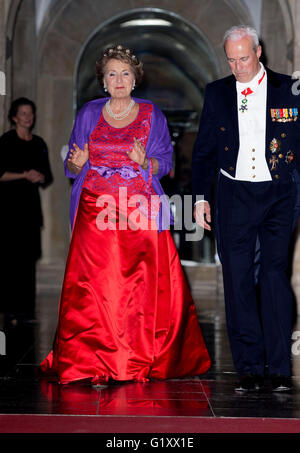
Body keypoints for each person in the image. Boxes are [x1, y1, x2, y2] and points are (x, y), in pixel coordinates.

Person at [41, 45, 210, 385]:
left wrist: (144, 162)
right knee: (95, 287)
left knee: (137, 287)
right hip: (96, 208)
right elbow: (73, 164)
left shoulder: (151, 113)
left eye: (125, 74)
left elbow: (166, 164)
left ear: (135, 79)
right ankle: (92, 360)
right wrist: (76, 161)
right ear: (103, 82)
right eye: (112, 75)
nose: (119, 80)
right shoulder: (89, 112)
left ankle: (135, 357)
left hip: (139, 210)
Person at [192, 25, 300, 393]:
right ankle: (250, 367)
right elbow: (204, 149)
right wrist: (200, 198)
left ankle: (280, 367)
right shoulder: (217, 92)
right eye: (231, 60)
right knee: (237, 280)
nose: (238, 67)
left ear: (259, 51)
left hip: (279, 194)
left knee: (273, 276)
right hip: (233, 195)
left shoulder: (290, 88)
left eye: (244, 58)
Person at [0, 97, 53, 325]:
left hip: (31, 210)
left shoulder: (39, 143)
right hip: (10, 211)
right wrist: (24, 175)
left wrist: (39, 176)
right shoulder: (6, 142)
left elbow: (48, 176)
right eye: (23, 113)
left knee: (29, 261)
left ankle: (27, 311)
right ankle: (10, 310)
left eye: (30, 113)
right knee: (12, 261)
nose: (27, 117)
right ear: (14, 117)